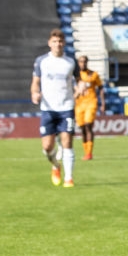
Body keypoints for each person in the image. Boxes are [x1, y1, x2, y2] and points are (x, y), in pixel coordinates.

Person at [31, 29, 77, 188]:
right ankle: (56, 165)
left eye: (60, 41)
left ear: (64, 43)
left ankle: (68, 179)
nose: (58, 44)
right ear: (49, 43)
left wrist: (81, 87)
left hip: (67, 107)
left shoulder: (71, 62)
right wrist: (35, 93)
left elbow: (79, 80)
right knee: (47, 147)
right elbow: (35, 82)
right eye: (55, 41)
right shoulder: (41, 61)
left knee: (67, 142)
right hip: (48, 108)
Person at [73, 55, 104, 160]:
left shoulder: (93, 74)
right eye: (81, 62)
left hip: (91, 102)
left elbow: (101, 88)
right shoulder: (76, 76)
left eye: (84, 62)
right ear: (78, 63)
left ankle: (89, 153)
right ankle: (86, 152)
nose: (83, 64)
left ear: (87, 62)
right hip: (79, 104)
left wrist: (103, 103)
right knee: (82, 128)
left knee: (88, 125)